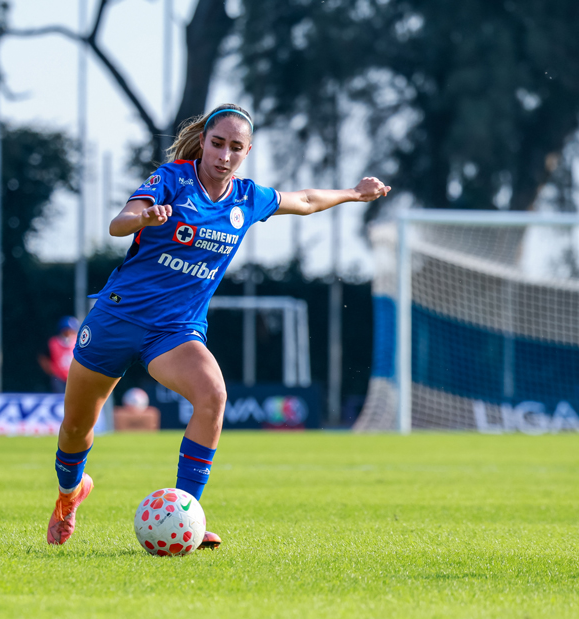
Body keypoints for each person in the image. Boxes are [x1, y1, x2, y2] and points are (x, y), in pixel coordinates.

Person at [47, 103, 391, 548]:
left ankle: (185, 515)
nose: (224, 155)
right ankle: (69, 495)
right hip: (117, 319)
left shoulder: (247, 198)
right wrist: (144, 217)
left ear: (247, 151)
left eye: (235, 147)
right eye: (217, 143)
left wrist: (354, 193)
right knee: (76, 428)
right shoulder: (172, 179)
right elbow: (119, 224)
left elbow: (305, 201)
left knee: (213, 395)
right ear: (203, 142)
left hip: (175, 330)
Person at [38, 316, 79, 393]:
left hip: (76, 376)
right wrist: (52, 370)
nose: (68, 333)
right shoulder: (53, 342)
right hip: (59, 377)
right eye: (66, 330)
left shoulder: (79, 342)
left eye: (71, 331)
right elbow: (43, 357)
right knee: (60, 395)